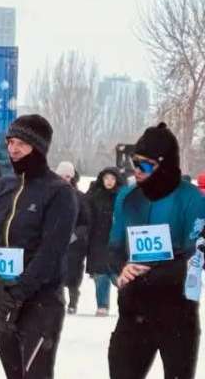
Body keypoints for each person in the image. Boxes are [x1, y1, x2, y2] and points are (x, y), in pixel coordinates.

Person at [0, 114, 77, 379]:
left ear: (39, 147)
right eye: (10, 142)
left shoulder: (59, 191)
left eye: (22, 143)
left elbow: (52, 251)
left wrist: (20, 291)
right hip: (3, 298)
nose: (13, 149)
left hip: (40, 302)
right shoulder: (2, 187)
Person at [106, 123, 205, 379]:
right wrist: (121, 268)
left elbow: (196, 257)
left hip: (176, 314)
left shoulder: (190, 199)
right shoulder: (126, 197)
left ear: (165, 165)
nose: (136, 170)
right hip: (133, 312)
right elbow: (113, 248)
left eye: (145, 165)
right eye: (134, 162)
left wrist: (151, 275)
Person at [54, 161, 92, 314]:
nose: (65, 179)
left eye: (68, 176)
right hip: (53, 242)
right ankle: (57, 302)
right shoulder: (47, 194)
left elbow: (86, 221)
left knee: (73, 275)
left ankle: (73, 301)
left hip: (73, 244)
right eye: (62, 176)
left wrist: (75, 235)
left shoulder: (79, 197)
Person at [85, 167, 121, 317]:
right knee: (101, 275)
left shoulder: (122, 196)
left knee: (118, 275)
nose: (109, 181)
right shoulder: (94, 195)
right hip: (97, 241)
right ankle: (102, 305)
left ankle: (131, 305)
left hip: (117, 242)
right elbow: (85, 215)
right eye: (106, 178)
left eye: (112, 179)